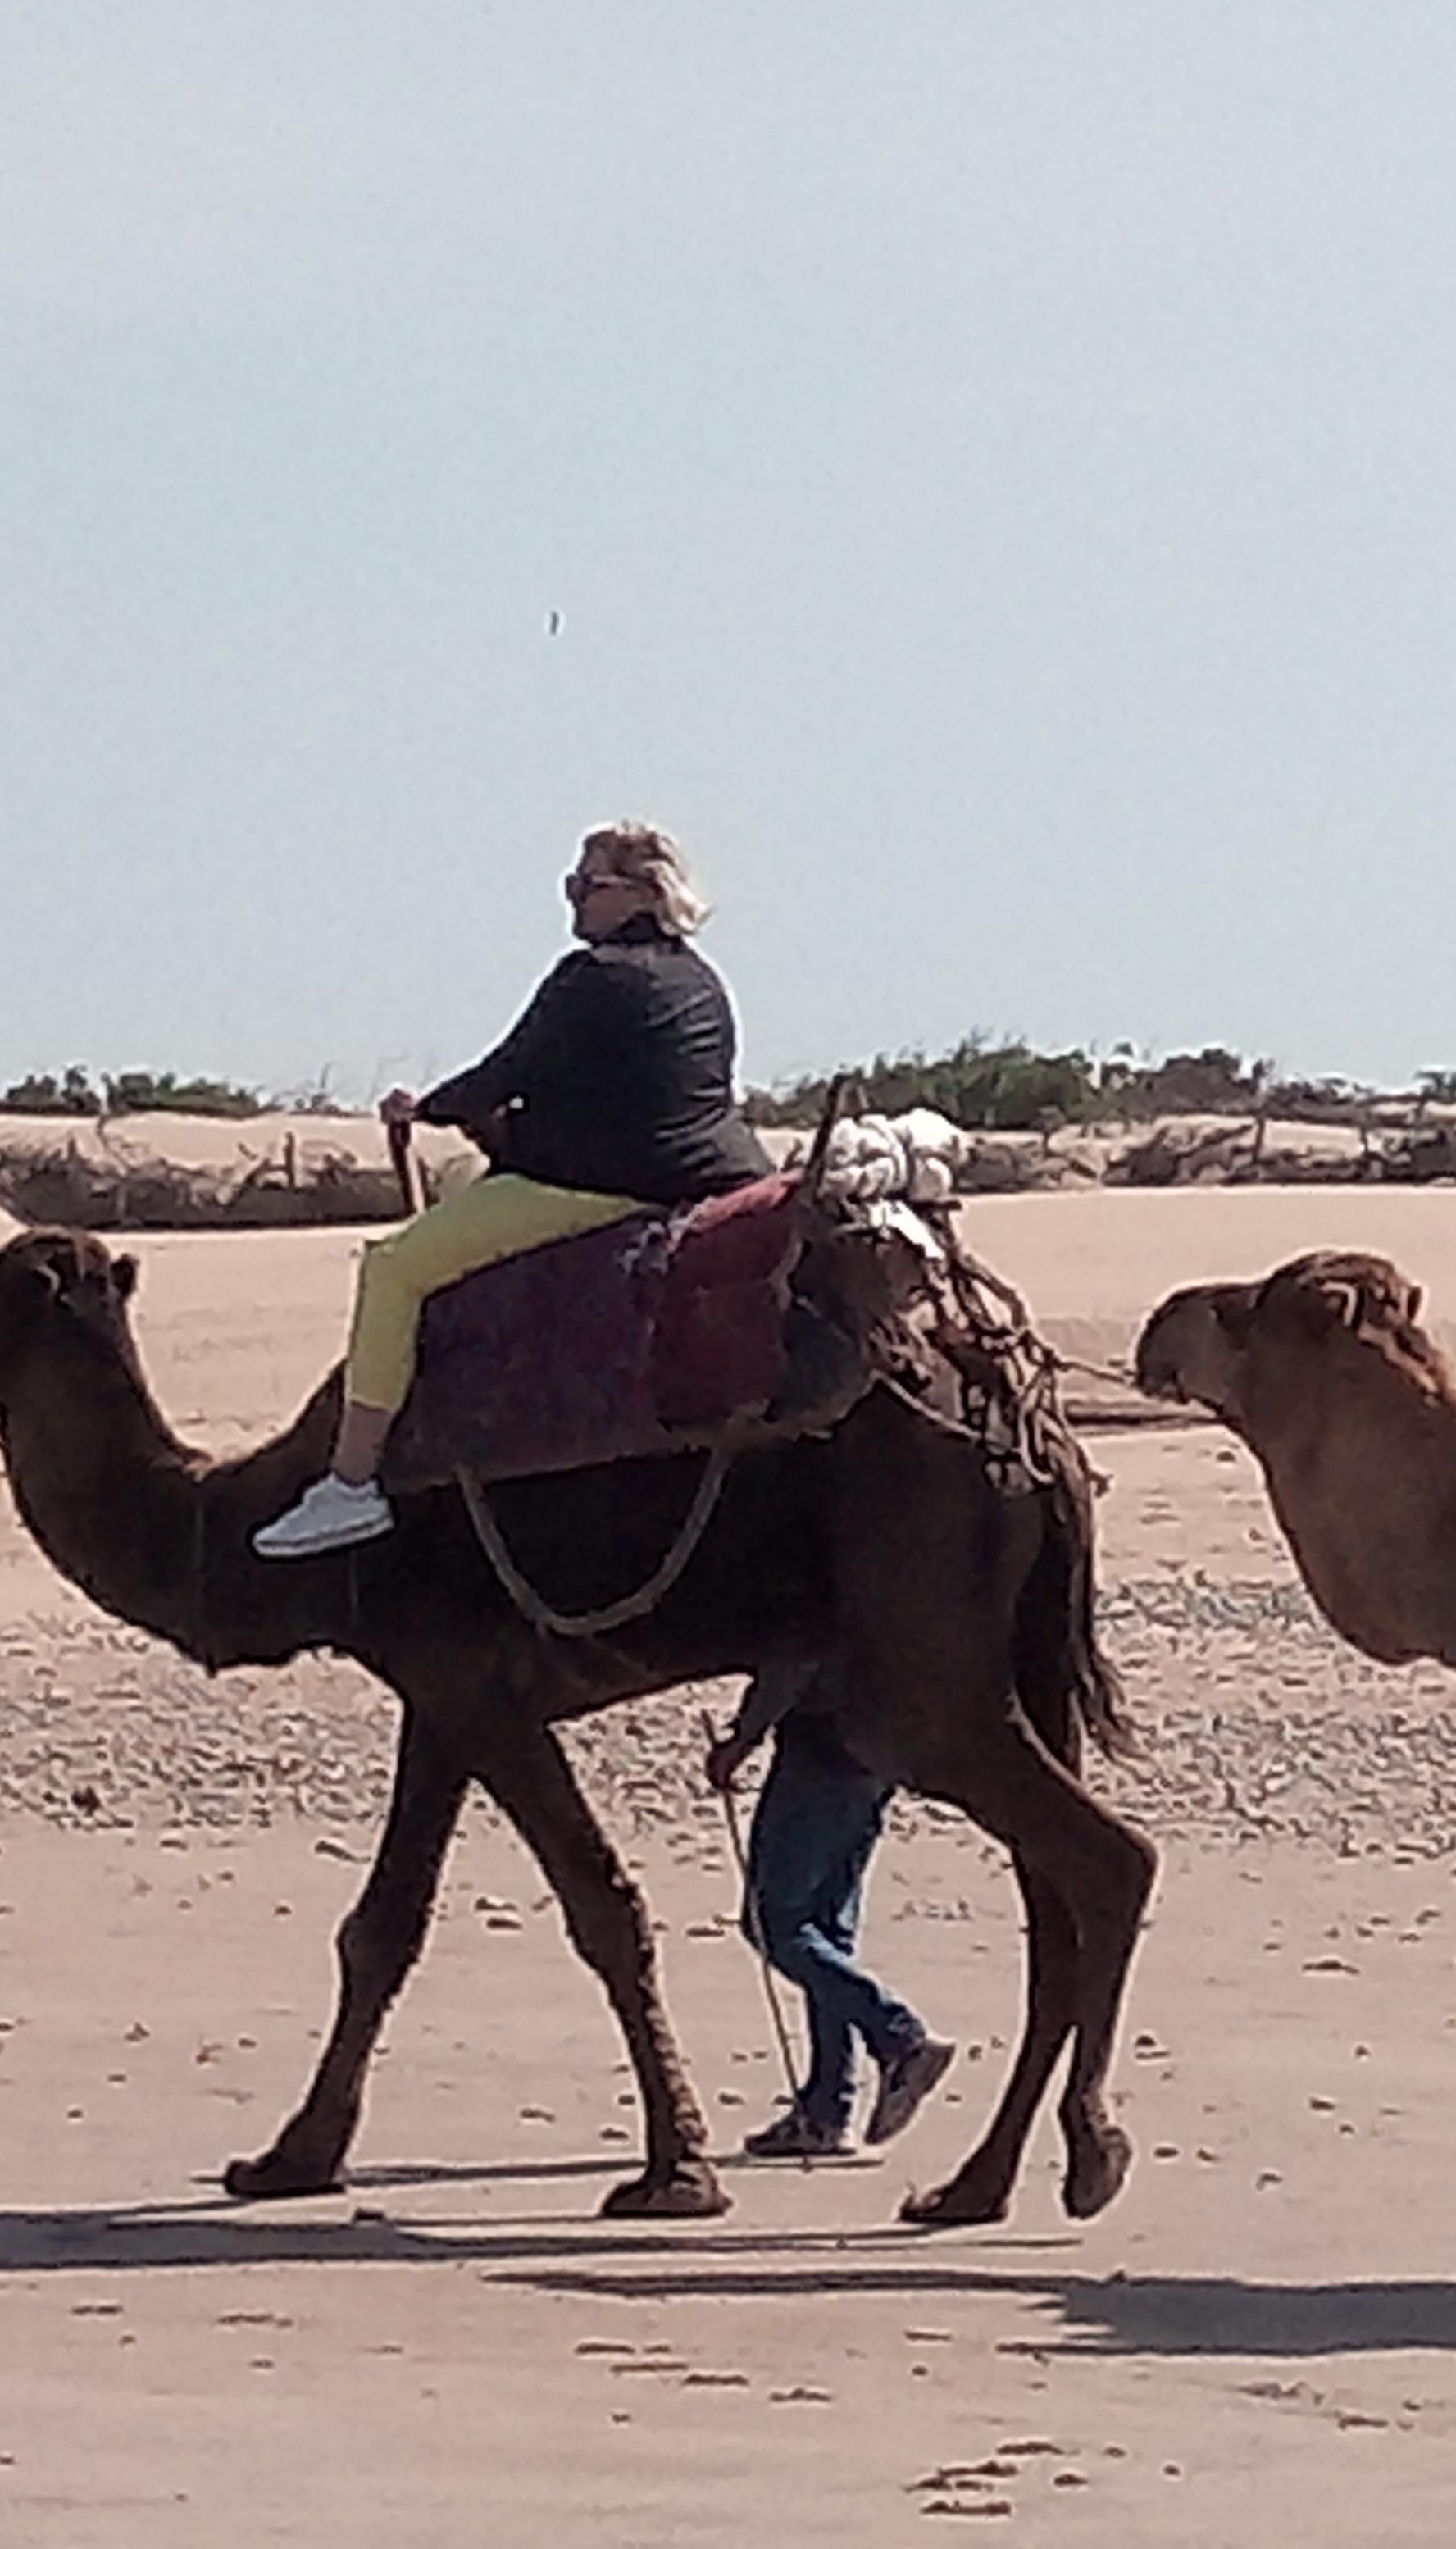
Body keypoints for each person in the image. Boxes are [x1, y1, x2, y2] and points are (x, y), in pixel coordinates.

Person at [253, 821, 775, 1557]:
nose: (573, 901)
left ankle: (350, 1484)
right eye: (573, 885)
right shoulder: (701, 981)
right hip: (700, 1178)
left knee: (394, 1267)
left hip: (600, 1187)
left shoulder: (592, 977)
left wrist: (424, 1108)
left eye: (586, 885)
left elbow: (504, 1074)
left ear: (640, 894)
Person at [717, 1668, 956, 2160]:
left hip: (820, 1752)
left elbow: (795, 1650)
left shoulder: (818, 1588)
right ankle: (827, 2110)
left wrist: (742, 1738)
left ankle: (899, 2037)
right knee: (827, 1934)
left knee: (776, 1925)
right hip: (878, 1753)